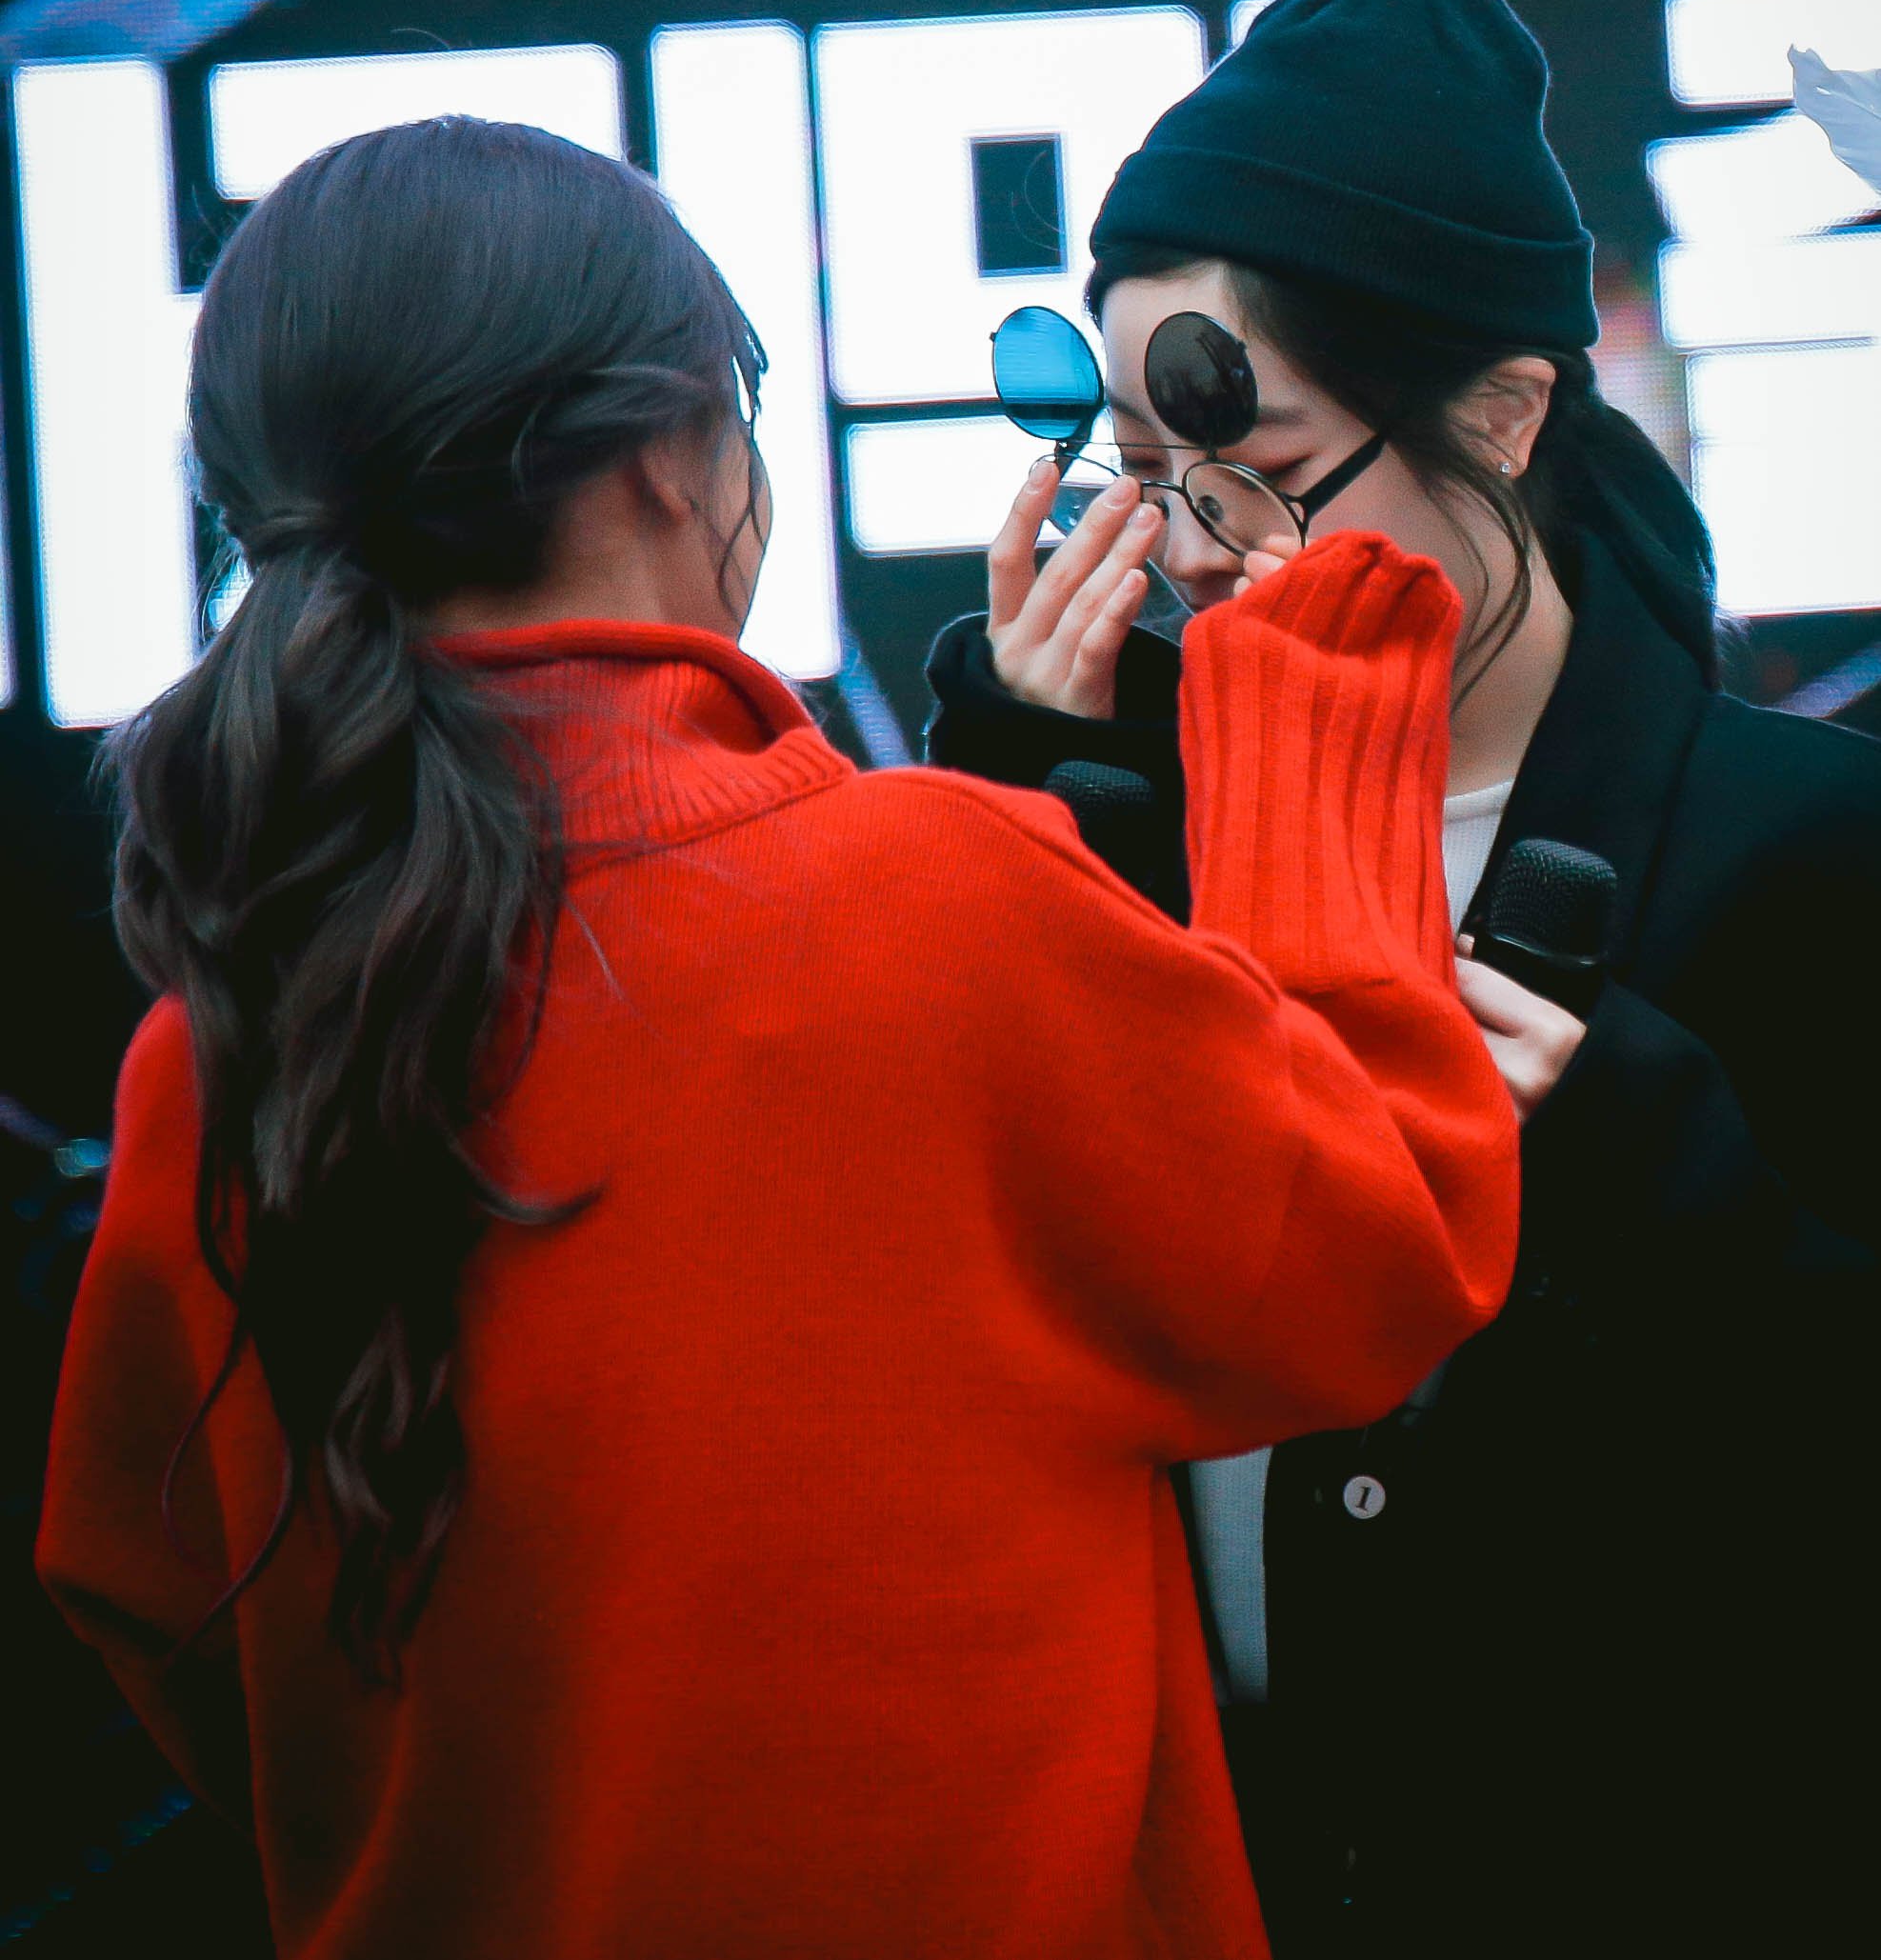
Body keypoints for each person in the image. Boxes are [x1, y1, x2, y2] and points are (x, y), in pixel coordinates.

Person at [37, 117, 1517, 1960]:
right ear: (672, 452)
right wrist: (1304, 728)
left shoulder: (219, 1041)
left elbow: (142, 1583)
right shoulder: (933, 900)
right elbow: (1377, 1248)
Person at [928, 0, 1880, 1960]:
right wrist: (1008, 813)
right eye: (1139, 471)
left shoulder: (1810, 847)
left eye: (1254, 470)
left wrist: (1637, 1135)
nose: (1193, 547)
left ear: (1505, 413)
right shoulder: (1123, 827)